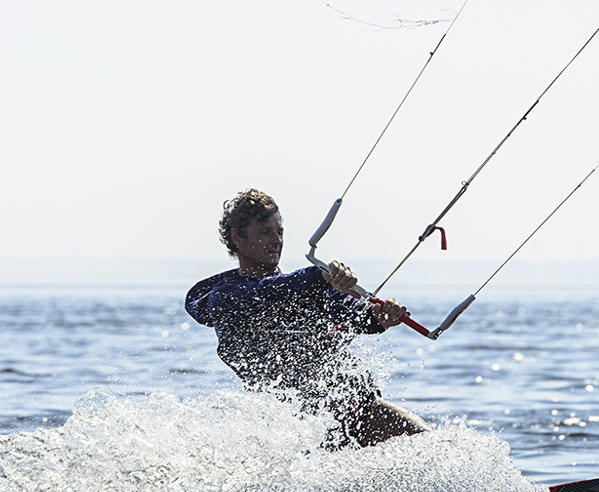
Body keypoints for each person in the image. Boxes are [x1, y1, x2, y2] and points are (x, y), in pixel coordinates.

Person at [185, 188, 431, 448]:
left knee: (429, 446)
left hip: (358, 408)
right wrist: (319, 276)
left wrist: (378, 317)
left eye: (279, 232)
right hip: (302, 425)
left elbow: (353, 315)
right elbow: (267, 295)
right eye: (265, 232)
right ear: (238, 238)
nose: (276, 240)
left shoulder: (305, 289)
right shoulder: (226, 297)